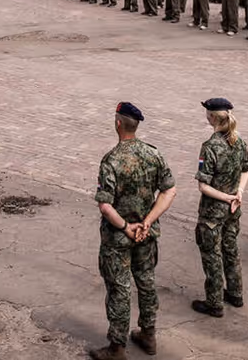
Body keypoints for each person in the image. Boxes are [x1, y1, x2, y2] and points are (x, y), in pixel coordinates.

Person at [91, 102, 176, 360]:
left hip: (119, 237)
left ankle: (117, 347)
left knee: (119, 288)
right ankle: (148, 335)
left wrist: (127, 227)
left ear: (118, 124)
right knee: (147, 281)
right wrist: (148, 221)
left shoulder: (112, 160)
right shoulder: (153, 154)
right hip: (146, 234)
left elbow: (105, 206)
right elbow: (169, 190)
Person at [191, 98, 248, 318]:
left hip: (213, 212)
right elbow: (246, 170)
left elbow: (203, 186)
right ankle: (235, 293)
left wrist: (226, 197)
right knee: (231, 249)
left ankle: (214, 302)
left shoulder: (210, 147)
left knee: (212, 255)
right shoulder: (238, 141)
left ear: (212, 117)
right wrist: (239, 193)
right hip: (233, 209)